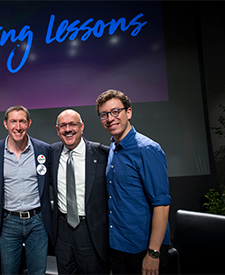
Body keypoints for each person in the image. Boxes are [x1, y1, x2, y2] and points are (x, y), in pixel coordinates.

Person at [96, 89, 171, 275]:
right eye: (104, 114)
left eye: (115, 111)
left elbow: (161, 205)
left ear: (128, 112)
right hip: (118, 245)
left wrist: (153, 253)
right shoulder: (113, 147)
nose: (110, 118)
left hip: (143, 248)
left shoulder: (147, 149)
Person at [0, 105, 53, 275]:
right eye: (13, 121)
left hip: (38, 222)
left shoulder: (43, 149)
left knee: (38, 272)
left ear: (29, 123)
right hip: (8, 222)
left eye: (22, 121)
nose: (18, 126)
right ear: (5, 124)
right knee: (8, 272)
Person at [51, 109, 110, 275]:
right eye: (63, 126)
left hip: (90, 230)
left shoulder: (102, 154)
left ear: (82, 127)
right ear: (58, 130)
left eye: (73, 124)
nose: (68, 129)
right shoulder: (52, 153)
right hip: (62, 230)